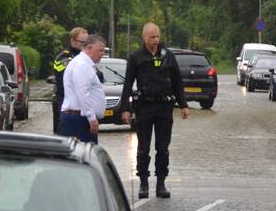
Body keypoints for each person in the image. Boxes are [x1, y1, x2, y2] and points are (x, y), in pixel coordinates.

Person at [120, 23, 190, 199]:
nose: (156, 40)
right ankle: (143, 183)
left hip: (164, 108)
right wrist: (125, 109)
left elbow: (177, 83)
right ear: (144, 37)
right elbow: (128, 84)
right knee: (143, 147)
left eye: (158, 36)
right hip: (144, 107)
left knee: (162, 147)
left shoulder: (168, 56)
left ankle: (161, 183)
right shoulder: (136, 57)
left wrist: (183, 105)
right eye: (152, 37)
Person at [60, 35, 107, 144]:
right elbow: (82, 92)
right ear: (89, 48)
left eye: (103, 51)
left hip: (79, 117)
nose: (102, 53)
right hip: (79, 119)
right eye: (100, 50)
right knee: (84, 156)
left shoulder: (83, 63)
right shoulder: (82, 65)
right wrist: (92, 118)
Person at [51, 27, 88, 134]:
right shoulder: (64, 57)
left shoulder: (85, 57)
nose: (85, 45)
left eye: (87, 42)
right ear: (72, 41)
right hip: (66, 101)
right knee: (65, 133)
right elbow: (68, 79)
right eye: (82, 42)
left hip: (82, 102)